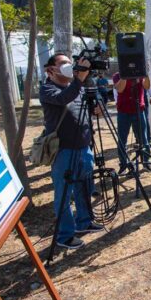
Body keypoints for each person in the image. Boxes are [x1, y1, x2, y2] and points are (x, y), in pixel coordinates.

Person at [40, 52, 104, 250]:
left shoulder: (79, 88)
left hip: (84, 147)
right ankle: (65, 235)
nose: (69, 66)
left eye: (70, 62)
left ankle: (84, 221)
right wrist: (79, 79)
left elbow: (94, 104)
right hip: (63, 151)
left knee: (84, 187)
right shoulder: (48, 89)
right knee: (64, 194)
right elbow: (63, 99)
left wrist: (99, 106)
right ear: (51, 70)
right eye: (63, 63)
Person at [113, 70, 151, 174]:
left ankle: (146, 161)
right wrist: (125, 74)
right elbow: (120, 89)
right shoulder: (117, 75)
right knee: (122, 140)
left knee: (143, 139)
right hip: (123, 111)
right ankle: (123, 164)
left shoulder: (139, 75)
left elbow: (147, 87)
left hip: (138, 110)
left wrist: (145, 73)